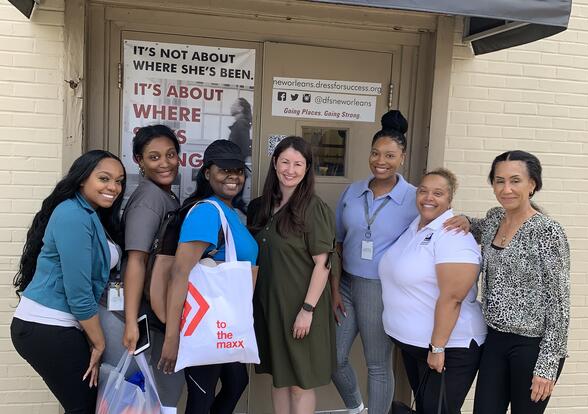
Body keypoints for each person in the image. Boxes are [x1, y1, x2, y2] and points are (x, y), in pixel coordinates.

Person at [444, 150, 570, 414]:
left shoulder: (547, 231)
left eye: (515, 180)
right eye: (499, 181)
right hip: (495, 341)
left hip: (532, 347)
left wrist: (547, 365)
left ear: (532, 184)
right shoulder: (494, 219)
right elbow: (478, 227)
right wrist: (465, 220)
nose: (506, 189)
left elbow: (559, 305)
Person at [11, 150, 126, 414]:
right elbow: (78, 292)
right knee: (84, 407)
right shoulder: (73, 215)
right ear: (83, 178)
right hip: (47, 327)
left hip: (59, 326)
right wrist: (99, 343)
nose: (113, 187)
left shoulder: (90, 214)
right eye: (104, 178)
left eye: (119, 181)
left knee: (85, 406)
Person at [159, 139, 258, 414]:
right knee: (201, 399)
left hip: (224, 321)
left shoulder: (229, 212)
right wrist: (172, 337)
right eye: (224, 170)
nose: (233, 176)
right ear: (207, 173)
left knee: (237, 382)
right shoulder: (206, 212)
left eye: (238, 170)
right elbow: (180, 274)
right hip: (205, 322)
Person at [331, 110, 417, 414]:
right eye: (375, 153)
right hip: (346, 284)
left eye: (390, 155)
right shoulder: (353, 191)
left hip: (379, 290)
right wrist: (334, 288)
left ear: (402, 157)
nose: (381, 160)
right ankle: (357, 408)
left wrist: (464, 221)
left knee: (377, 364)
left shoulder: (415, 199)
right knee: (334, 358)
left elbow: (438, 232)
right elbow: (338, 244)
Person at [379, 168, 485, 414]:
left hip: (449, 348)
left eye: (438, 193)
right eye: (423, 191)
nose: (428, 197)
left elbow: (453, 297)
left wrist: (437, 349)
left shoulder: (453, 236)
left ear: (450, 199)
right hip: (415, 345)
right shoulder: (415, 226)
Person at [98, 124, 184, 413]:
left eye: (170, 155)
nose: (165, 163)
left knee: (150, 397)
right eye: (154, 157)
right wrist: (132, 321)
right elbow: (136, 260)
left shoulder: (165, 195)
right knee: (132, 398)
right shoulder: (149, 198)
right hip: (129, 316)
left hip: (146, 312)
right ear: (139, 160)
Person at [248, 136, 337, 414]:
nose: (290, 169)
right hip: (269, 307)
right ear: (275, 164)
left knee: (300, 382)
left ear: (307, 168)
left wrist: (307, 310)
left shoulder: (313, 208)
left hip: (301, 308)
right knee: (280, 379)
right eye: (285, 161)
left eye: (299, 164)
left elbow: (323, 265)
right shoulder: (260, 206)